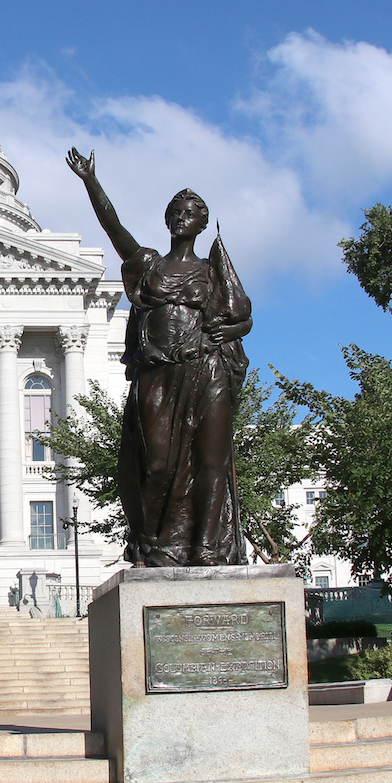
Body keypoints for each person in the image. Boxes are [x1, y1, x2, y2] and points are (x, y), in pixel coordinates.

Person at [68, 147, 252, 566]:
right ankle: (156, 544)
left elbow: (240, 317)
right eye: (175, 211)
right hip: (159, 374)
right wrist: (91, 182)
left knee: (211, 461)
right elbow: (115, 230)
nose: (180, 218)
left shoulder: (211, 272)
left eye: (189, 213)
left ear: (202, 224)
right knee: (156, 464)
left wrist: (235, 329)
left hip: (205, 369)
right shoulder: (150, 266)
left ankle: (205, 546)